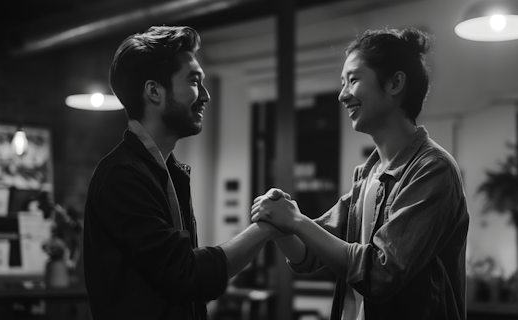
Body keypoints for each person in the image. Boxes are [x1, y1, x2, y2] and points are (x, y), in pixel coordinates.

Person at [252, 28, 469, 320]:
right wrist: (280, 224)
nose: (342, 95)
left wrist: (294, 220)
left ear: (395, 83)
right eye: (343, 83)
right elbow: (308, 254)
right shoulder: (367, 176)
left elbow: (381, 274)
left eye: (353, 80)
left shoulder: (432, 169)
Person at [84, 26, 284, 320]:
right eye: (194, 81)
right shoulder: (121, 176)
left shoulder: (168, 172)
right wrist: (264, 229)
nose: (205, 96)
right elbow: (187, 274)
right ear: (154, 91)